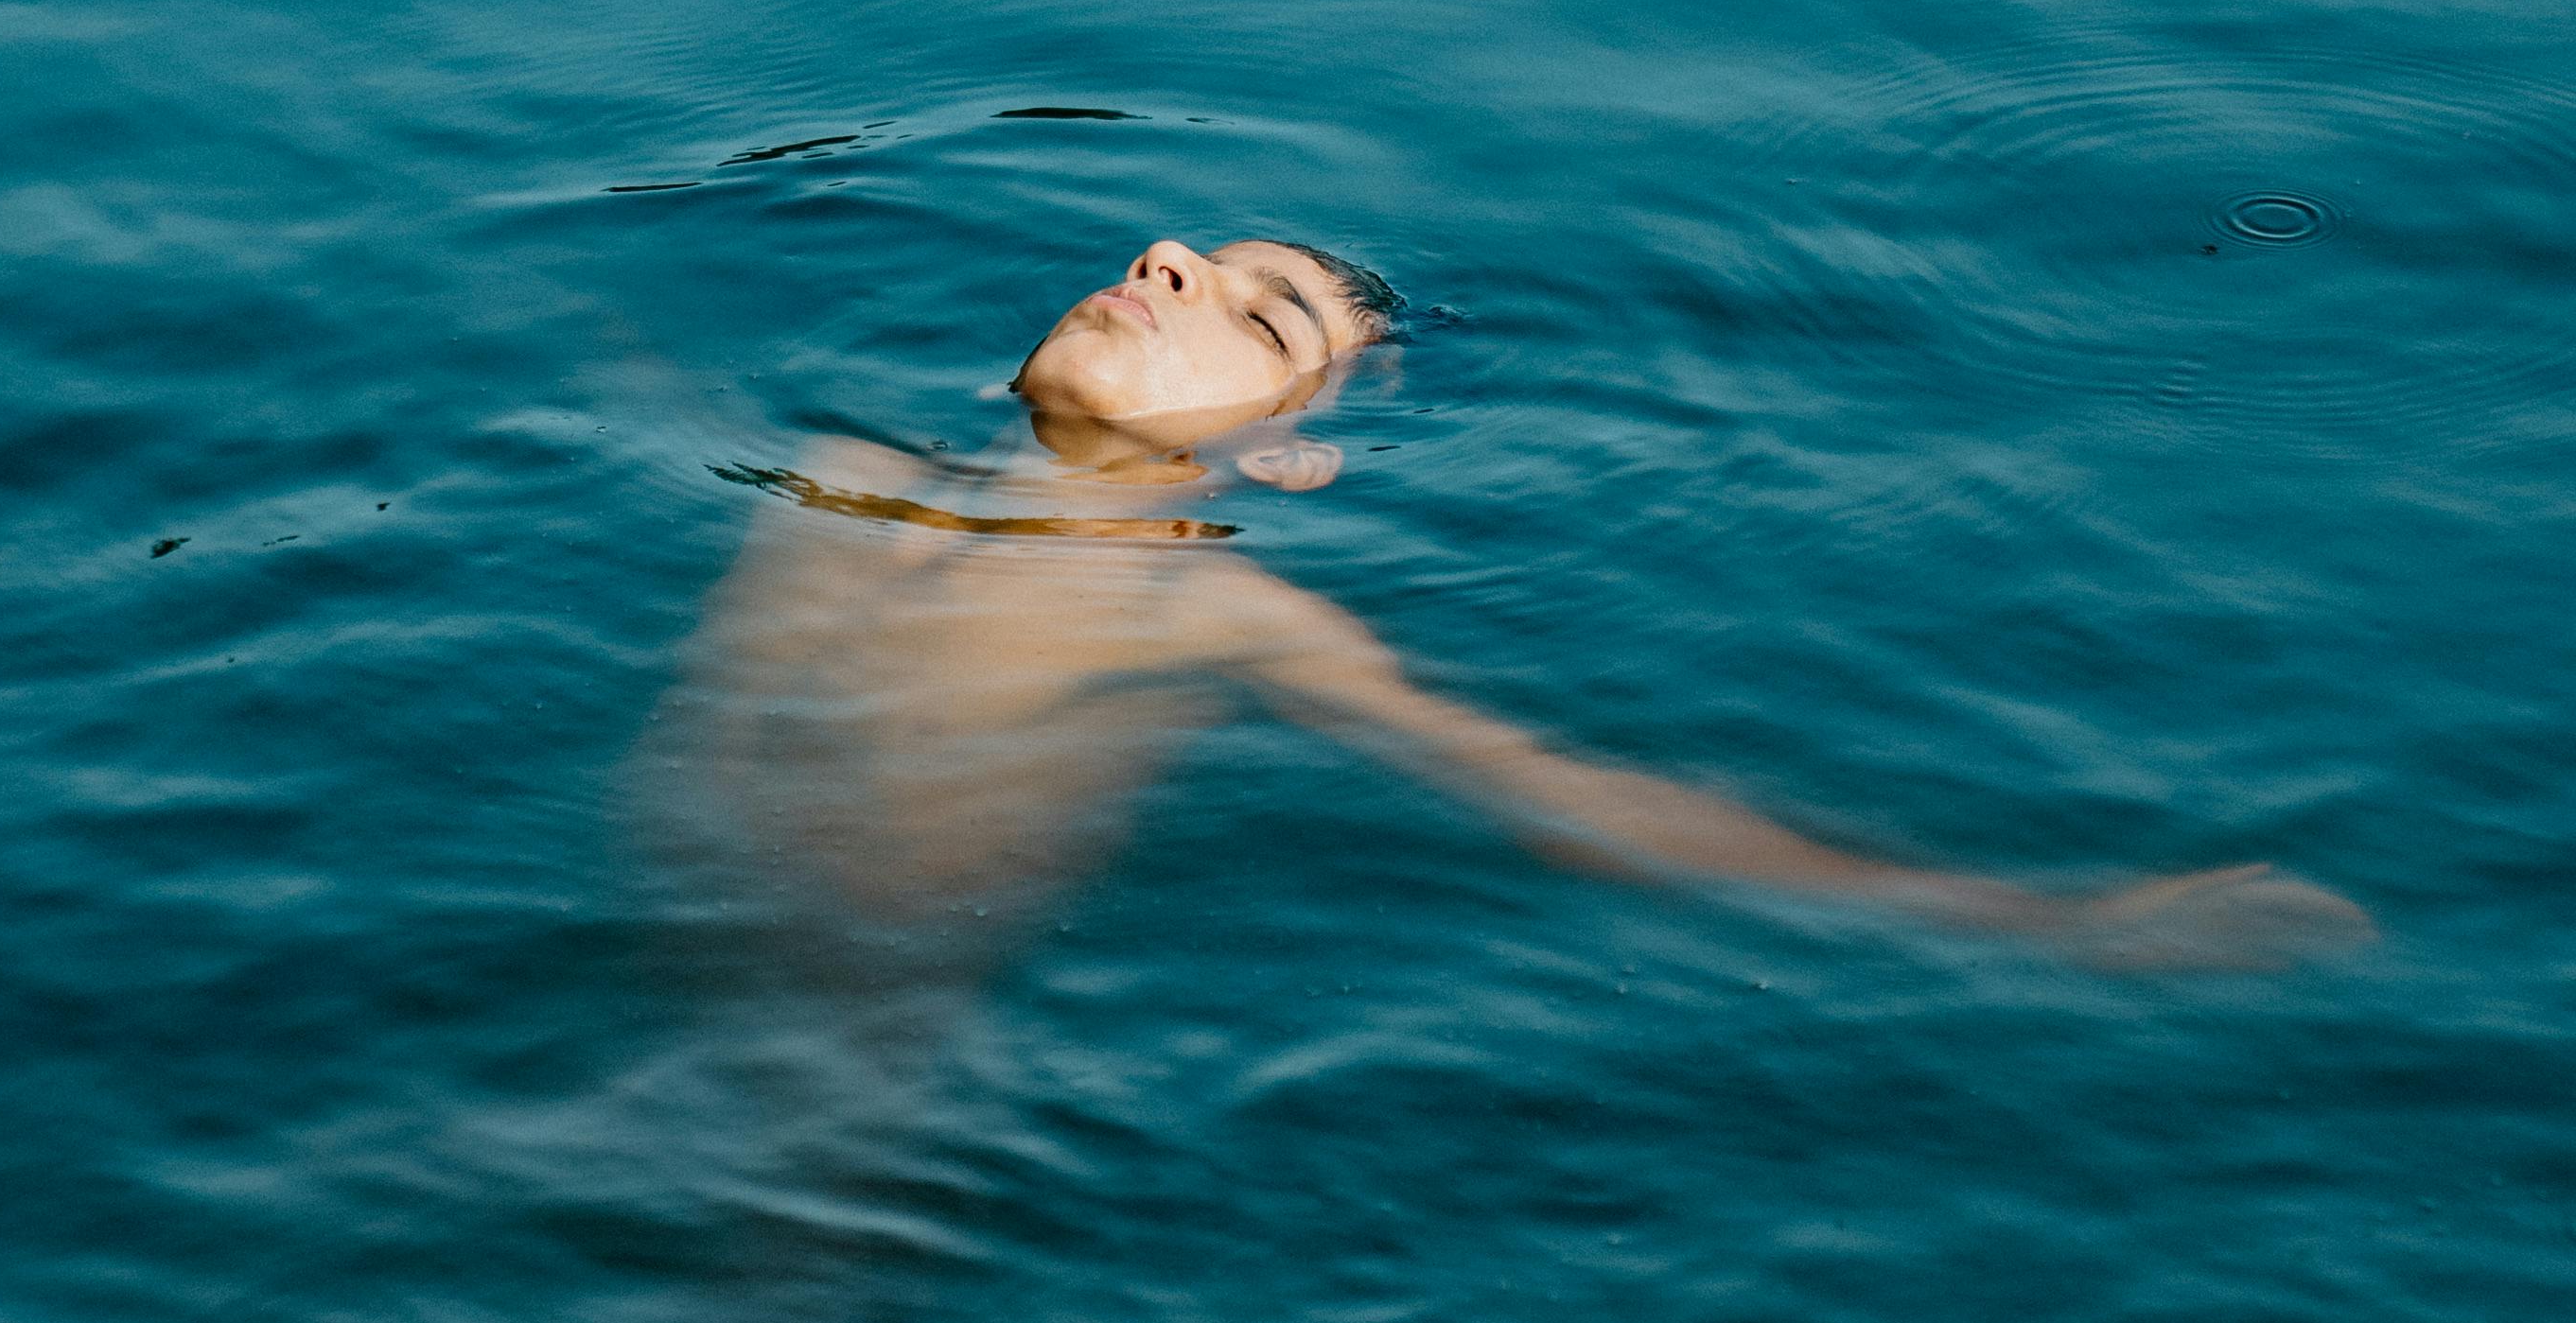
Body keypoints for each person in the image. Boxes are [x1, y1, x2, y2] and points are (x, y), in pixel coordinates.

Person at [662, 230, 2368, 968]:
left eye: (1266, 328)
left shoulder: (1210, 610)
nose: (1161, 260)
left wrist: (2049, 926)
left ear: (1286, 461)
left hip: (837, 1063)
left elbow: (1577, 803)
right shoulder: (825, 472)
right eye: (1183, 260)